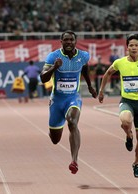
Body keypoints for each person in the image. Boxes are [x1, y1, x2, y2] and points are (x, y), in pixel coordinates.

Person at [98, 34, 138, 178]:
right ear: (127, 47)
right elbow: (107, 74)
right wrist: (101, 91)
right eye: (131, 45)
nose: (134, 47)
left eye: (136, 45)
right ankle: (128, 135)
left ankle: (136, 163)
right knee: (125, 121)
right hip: (127, 100)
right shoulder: (120, 62)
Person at [40, 30, 97, 174]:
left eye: (71, 40)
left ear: (75, 41)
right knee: (55, 139)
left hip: (73, 98)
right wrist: (54, 67)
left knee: (72, 122)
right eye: (66, 40)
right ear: (61, 42)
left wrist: (90, 86)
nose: (69, 43)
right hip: (57, 100)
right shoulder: (53, 56)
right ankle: (53, 129)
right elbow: (43, 78)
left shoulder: (83, 56)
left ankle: (74, 161)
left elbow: (85, 69)